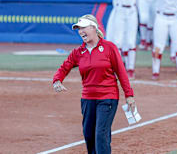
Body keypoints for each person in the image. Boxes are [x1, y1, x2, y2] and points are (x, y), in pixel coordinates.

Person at [52, 14, 135, 154]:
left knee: (101, 134)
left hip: (108, 97)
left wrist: (129, 95)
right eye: (79, 29)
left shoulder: (109, 48)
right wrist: (57, 80)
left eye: (83, 27)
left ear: (94, 28)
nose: (81, 31)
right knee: (89, 135)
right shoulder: (79, 52)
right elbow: (64, 67)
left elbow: (121, 73)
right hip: (87, 99)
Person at [101, 0, 143, 80]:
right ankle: (118, 68)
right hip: (119, 11)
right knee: (118, 41)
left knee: (131, 41)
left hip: (131, 12)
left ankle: (130, 69)